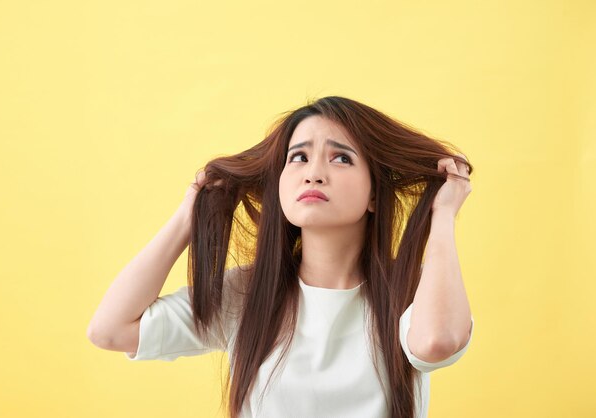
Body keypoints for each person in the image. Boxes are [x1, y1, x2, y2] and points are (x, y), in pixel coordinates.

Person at [87, 96, 475, 418]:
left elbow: (436, 342)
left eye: (341, 158)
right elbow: (110, 330)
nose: (314, 173)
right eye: (298, 158)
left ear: (374, 195)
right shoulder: (248, 294)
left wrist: (442, 216)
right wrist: (190, 215)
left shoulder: (415, 291)